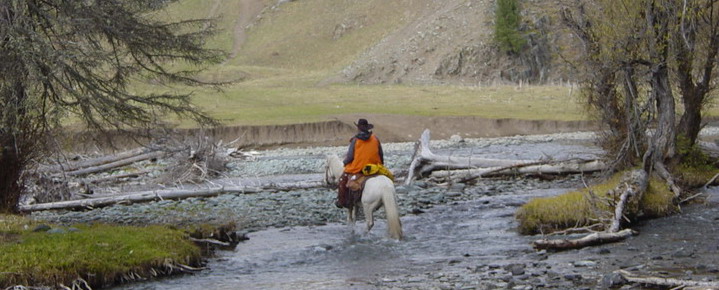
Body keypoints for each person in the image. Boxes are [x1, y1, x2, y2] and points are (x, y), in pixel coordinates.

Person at [336, 118, 385, 208]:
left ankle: (342, 201)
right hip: (374, 167)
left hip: (359, 167)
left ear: (358, 128)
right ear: (367, 128)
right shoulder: (375, 138)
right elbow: (381, 154)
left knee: (342, 180)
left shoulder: (355, 140)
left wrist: (344, 162)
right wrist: (381, 165)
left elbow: (350, 157)